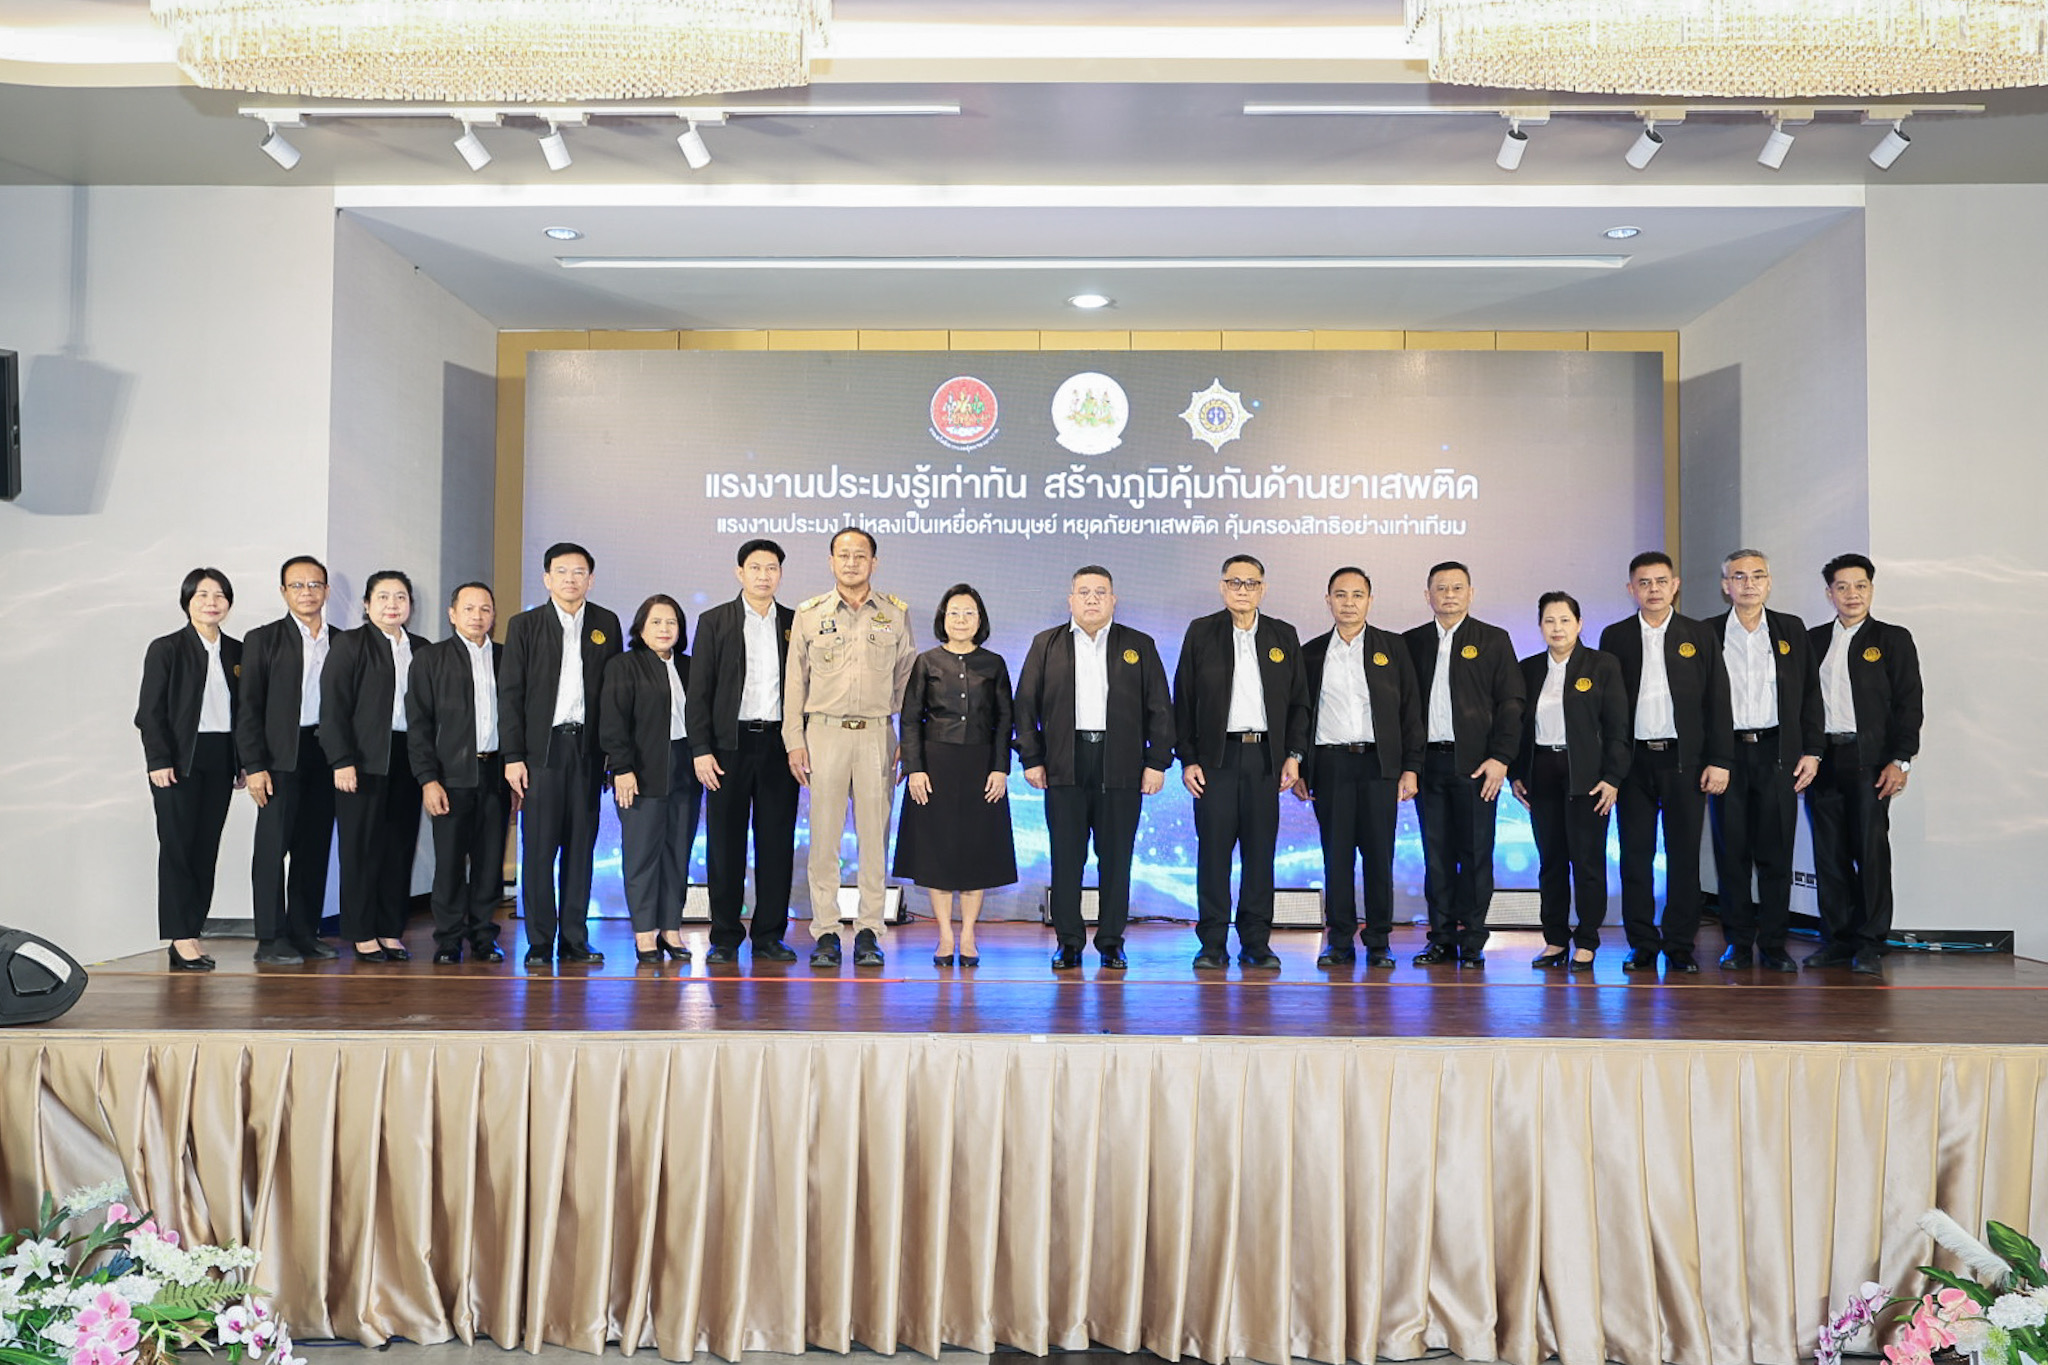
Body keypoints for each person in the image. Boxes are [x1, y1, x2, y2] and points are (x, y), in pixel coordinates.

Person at [1014, 566, 1174, 971]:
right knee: (1066, 859)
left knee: (1116, 860)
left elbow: (1160, 708)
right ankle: (1068, 942)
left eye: (1100, 592)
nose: (1092, 599)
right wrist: (1031, 758)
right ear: (1071, 600)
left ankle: (1111, 941)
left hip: (1121, 764)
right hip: (1063, 763)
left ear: (1113, 600)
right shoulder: (1046, 644)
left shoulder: (1138, 645)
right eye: (1083, 592)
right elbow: (1025, 706)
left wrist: (1157, 763)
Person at [784, 528, 918, 969]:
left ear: (873, 563)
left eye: (860, 556)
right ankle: (825, 931)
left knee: (874, 839)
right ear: (831, 561)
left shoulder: (894, 614)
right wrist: (794, 740)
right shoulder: (809, 614)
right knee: (824, 839)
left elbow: (907, 681)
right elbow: (795, 683)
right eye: (844, 555)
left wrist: (907, 738)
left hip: (877, 734)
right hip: (824, 733)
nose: (852, 562)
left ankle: (868, 931)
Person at [1597, 551, 1733, 975]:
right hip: (1633, 763)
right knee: (1635, 856)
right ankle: (1641, 943)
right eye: (1644, 582)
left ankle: (1679, 944)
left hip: (1685, 761)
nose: (1653, 589)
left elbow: (1718, 699)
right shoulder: (1615, 636)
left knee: (1683, 857)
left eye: (1660, 581)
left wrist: (1719, 760)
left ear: (1675, 585)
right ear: (1631, 589)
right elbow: (1605, 708)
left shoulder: (1699, 634)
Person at [1173, 554, 1310, 971]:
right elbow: (1184, 700)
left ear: (1262, 589)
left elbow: (1300, 704)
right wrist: (1188, 759)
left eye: (1251, 583)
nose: (1243, 590)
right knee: (1213, 855)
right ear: (1222, 587)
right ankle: (1212, 943)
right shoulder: (1201, 632)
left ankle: (1256, 942)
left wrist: (1294, 756)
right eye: (1235, 582)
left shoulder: (1283, 635)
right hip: (1215, 760)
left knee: (1259, 854)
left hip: (1265, 760)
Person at [500, 542, 623, 967]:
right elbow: (510, 694)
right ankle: (539, 940)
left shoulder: (606, 623)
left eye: (579, 572)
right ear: (546, 578)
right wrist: (513, 755)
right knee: (538, 849)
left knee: (580, 848)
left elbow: (614, 694)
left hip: (587, 751)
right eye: (562, 571)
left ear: (591, 579)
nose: (571, 579)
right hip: (542, 753)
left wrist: (612, 755)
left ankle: (574, 938)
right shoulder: (525, 625)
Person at [1295, 567, 1423, 970]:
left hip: (1378, 765)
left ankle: (1379, 941)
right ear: (1328, 600)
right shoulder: (1311, 653)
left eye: (1357, 595)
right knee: (1336, 858)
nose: (1348, 603)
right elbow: (1300, 714)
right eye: (1340, 594)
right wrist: (1300, 767)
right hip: (1330, 765)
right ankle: (1339, 941)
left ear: (1370, 600)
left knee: (1378, 857)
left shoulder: (1393, 647)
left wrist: (1411, 767)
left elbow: (1411, 711)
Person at [1400, 561, 1525, 968]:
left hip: (1477, 767)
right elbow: (1403, 708)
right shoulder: (1411, 642)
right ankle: (1440, 939)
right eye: (1441, 588)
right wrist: (1409, 765)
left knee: (1475, 856)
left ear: (1470, 593)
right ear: (1428, 596)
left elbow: (1511, 704)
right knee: (1436, 856)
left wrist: (1501, 758)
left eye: (1457, 588)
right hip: (1428, 764)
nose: (1449, 595)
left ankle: (1472, 941)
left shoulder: (1493, 639)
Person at [1805, 553, 1923, 977]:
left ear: (1871, 589)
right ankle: (1837, 939)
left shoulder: (1892, 639)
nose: (1851, 594)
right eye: (1842, 587)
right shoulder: (1813, 640)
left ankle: (1871, 942)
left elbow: (1909, 703)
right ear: (1829, 593)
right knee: (1829, 853)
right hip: (1824, 760)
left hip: (1870, 761)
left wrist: (1900, 760)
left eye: (1860, 586)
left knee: (1870, 852)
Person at [684, 540, 800, 965]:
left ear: (780, 574)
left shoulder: (795, 622)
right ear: (740, 573)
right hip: (727, 746)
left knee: (776, 843)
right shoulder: (715, 621)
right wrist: (701, 749)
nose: (764, 575)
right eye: (755, 567)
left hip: (779, 745)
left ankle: (769, 936)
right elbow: (699, 692)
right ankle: (725, 936)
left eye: (772, 568)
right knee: (725, 844)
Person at [1707, 550, 1822, 973]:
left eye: (1757, 576)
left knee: (1776, 855)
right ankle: (1737, 943)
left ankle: (1774, 943)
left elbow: (1810, 694)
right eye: (1739, 577)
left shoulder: (1790, 629)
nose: (1749, 584)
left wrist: (1813, 751)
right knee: (1732, 854)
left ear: (1769, 583)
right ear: (1726, 586)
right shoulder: (1707, 633)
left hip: (1777, 754)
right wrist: (1710, 758)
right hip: (1727, 757)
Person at [895, 584, 1019, 967]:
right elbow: (910, 720)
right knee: (938, 854)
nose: (961, 620)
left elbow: (1005, 721)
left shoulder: (994, 664)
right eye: (954, 613)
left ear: (979, 620)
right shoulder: (926, 662)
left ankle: (968, 935)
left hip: (982, 767)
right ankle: (945, 936)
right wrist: (915, 769)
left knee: (974, 854)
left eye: (968, 613)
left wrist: (1000, 768)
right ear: (942, 618)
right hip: (935, 767)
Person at [1509, 593, 1631, 972]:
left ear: (1579, 624)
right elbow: (1515, 726)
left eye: (1565, 620)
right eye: (1549, 621)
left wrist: (1613, 777)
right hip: (1542, 773)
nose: (1557, 628)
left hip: (1588, 777)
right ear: (1540, 626)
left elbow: (1618, 727)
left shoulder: (1602, 665)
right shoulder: (1529, 669)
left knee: (1588, 861)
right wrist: (1516, 773)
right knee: (1551, 861)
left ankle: (1587, 940)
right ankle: (1556, 939)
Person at [321, 570, 430, 962]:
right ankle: (361, 931)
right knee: (361, 849)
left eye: (400, 597)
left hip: (408, 758)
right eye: (383, 597)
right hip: (362, 761)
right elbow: (333, 707)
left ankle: (389, 929)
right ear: (367, 605)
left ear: (410, 605)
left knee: (398, 847)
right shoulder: (351, 644)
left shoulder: (422, 649)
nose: (392, 605)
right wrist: (341, 760)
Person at [136, 568, 242, 973]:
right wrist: (158, 760)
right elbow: (150, 712)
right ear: (187, 602)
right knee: (178, 848)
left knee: (205, 848)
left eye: (219, 595)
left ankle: (192, 931)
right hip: (179, 760)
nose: (211, 602)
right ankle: (181, 938)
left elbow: (245, 712)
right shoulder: (167, 648)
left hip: (220, 757)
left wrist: (243, 761)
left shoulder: (237, 651)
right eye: (201, 595)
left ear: (229, 603)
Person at [235, 555, 338, 965]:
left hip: (325, 753)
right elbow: (248, 707)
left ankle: (304, 933)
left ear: (326, 591)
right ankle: (270, 938)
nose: (306, 592)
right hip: (279, 756)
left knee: (313, 849)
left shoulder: (342, 640)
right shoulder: (263, 639)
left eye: (314, 585)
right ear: (283, 592)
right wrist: (254, 764)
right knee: (271, 850)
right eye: (297, 585)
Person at [406, 582, 510, 965]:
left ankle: (484, 937)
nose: (477, 616)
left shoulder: (506, 658)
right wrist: (428, 779)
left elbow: (518, 719)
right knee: (449, 863)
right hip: (450, 777)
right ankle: (449, 939)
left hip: (496, 773)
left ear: (493, 615)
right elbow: (419, 725)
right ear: (452, 614)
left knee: (489, 862)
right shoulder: (430, 659)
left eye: (485, 609)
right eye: (469, 609)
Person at [601, 595, 701, 966]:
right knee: (642, 855)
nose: (664, 629)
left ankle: (670, 929)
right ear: (640, 627)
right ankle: (644, 932)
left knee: (677, 854)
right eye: (656, 622)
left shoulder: (690, 666)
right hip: (640, 771)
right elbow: (612, 722)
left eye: (671, 622)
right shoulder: (624, 666)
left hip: (685, 770)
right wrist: (621, 768)